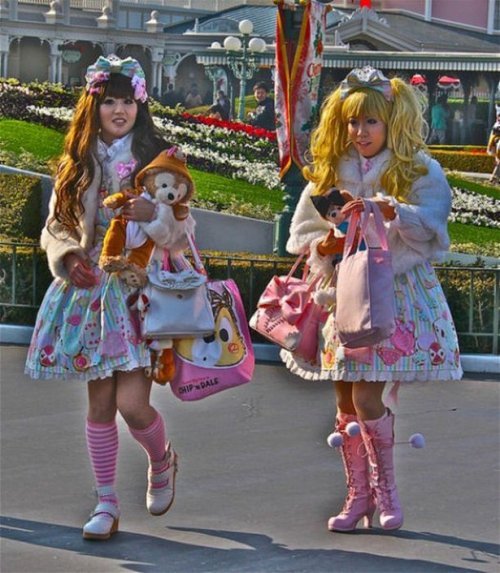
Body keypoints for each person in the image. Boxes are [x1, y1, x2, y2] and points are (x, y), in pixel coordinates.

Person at [281, 66, 462, 533]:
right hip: (341, 295)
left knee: (365, 395)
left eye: (371, 122)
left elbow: (434, 227)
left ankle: (386, 492)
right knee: (345, 397)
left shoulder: (417, 168)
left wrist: (392, 211)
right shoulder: (331, 171)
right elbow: (302, 233)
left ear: (391, 121)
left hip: (392, 294)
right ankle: (357, 496)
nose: (360, 132)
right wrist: (326, 243)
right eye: (353, 122)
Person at [25, 54, 194, 540]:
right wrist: (67, 255)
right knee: (100, 403)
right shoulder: (77, 162)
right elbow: (56, 224)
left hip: (140, 291)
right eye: (109, 101)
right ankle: (106, 502)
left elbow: (185, 232)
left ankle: (161, 460)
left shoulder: (160, 158)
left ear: (140, 106)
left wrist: (154, 216)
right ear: (93, 105)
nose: (119, 110)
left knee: (133, 405)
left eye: (128, 101)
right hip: (91, 290)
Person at [486, 105, 500, 184]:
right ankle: (493, 178)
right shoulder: (496, 126)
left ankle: (494, 178)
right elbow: (493, 138)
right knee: (498, 162)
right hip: (497, 147)